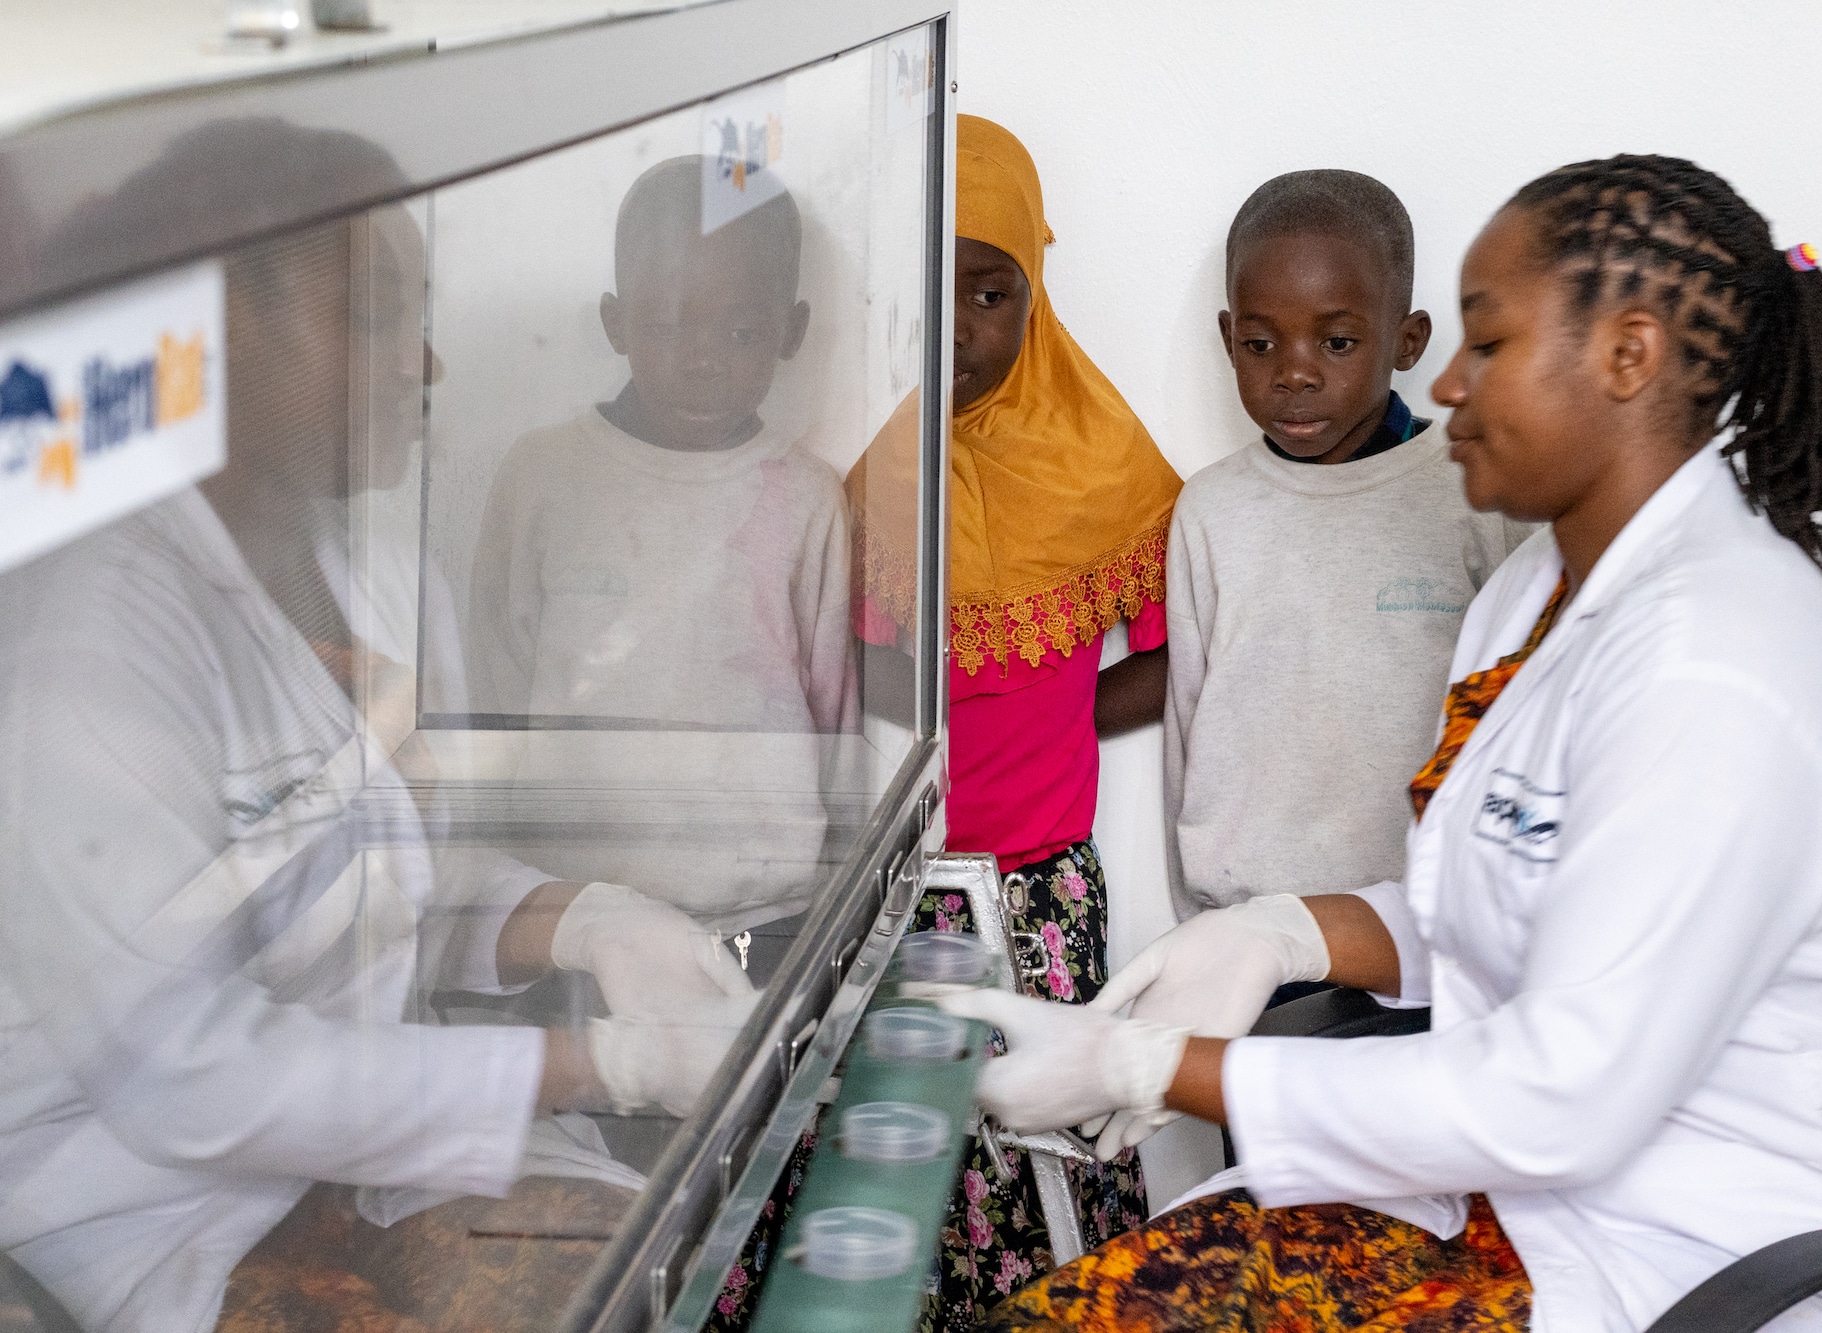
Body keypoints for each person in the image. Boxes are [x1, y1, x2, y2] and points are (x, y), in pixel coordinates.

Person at [943, 154, 1822, 1332]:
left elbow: (1558, 1094)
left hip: (1733, 1256)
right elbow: (1502, 903)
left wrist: (1145, 1066)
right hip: (1537, 1211)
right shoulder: (1536, 591)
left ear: (1627, 356)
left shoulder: (1725, 660)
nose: (1446, 380)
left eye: (1487, 345)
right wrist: (1282, 930)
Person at [0, 122, 757, 1333]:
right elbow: (186, 1076)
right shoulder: (86, 634)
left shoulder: (376, 573)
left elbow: (385, 880)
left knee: (643, 1286)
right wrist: (600, 1065)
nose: (428, 363)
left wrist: (585, 921)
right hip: (141, 1200)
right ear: (211, 337)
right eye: (373, 316)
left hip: (368, 1150)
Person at [842, 116, 1184, 1332]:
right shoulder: (883, 473)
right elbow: (867, 679)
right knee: (909, 1166)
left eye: (990, 293)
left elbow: (1176, 650)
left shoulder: (1105, 462)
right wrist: (948, 724)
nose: (959, 328)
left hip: (1044, 892)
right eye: (932, 293)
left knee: (1050, 1143)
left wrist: (1054, 716)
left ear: (1032, 294)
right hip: (903, 896)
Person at [467, 155, 856, 941]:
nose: (701, 356)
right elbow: (492, 691)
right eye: (667, 321)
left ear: (792, 331)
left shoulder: (807, 495)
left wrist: (839, 904)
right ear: (616, 320)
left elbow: (833, 718)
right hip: (576, 916)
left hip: (767, 914)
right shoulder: (543, 476)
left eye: (739, 329)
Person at [1163, 167, 1529, 963]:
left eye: (1336, 341)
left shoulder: (1474, 490)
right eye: (1261, 344)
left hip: (1419, 942)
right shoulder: (1210, 512)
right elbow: (1186, 727)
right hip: (1246, 940)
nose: (1294, 372)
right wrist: (1202, 925)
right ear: (1229, 339)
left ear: (1408, 338)